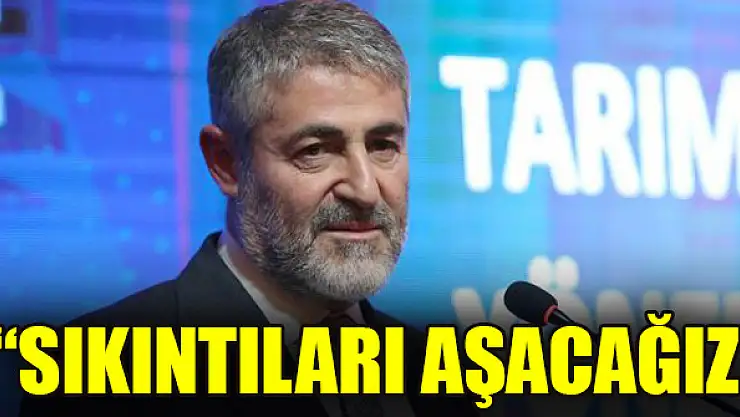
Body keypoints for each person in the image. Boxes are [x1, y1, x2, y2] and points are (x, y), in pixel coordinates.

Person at [18, 1, 479, 416]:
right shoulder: (97, 376)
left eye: (383, 145)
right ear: (226, 163)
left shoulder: (441, 372)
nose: (365, 190)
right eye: (316, 150)